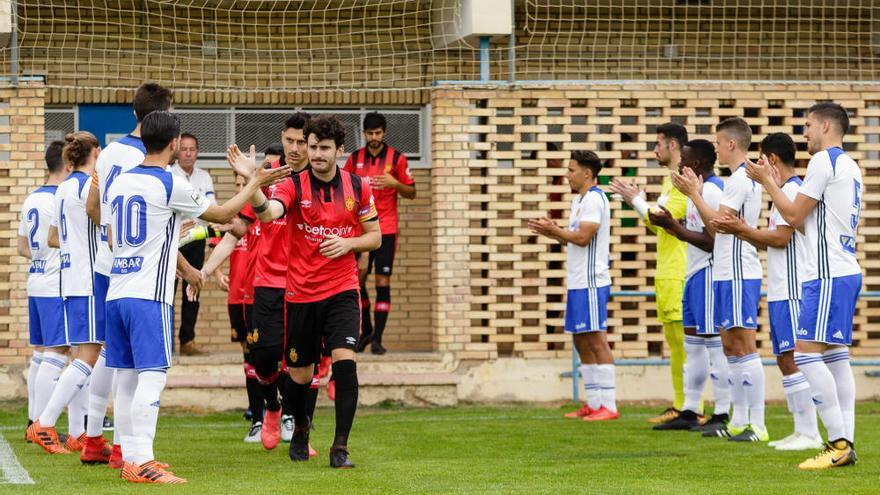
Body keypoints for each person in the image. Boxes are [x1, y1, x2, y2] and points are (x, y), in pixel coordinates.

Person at [105, 111, 289, 483]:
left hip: (116, 291)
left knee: (125, 378)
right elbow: (221, 213)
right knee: (152, 377)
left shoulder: (122, 182)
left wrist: (189, 270)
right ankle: (142, 462)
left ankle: (128, 455)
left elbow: (114, 238)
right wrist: (255, 180)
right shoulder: (169, 183)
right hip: (147, 297)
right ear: (174, 144)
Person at [228, 114, 381, 468]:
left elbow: (375, 237)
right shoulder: (294, 185)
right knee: (298, 376)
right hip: (301, 294)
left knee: (345, 366)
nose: (316, 154)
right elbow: (268, 215)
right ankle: (300, 428)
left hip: (342, 289)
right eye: (312, 147)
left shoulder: (358, 187)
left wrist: (348, 244)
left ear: (340, 150)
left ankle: (340, 447)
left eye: (324, 148)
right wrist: (253, 182)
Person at [746, 102, 861, 469]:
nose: (805, 133)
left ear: (826, 125)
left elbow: (794, 216)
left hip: (827, 273)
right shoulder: (850, 164)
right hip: (841, 269)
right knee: (835, 357)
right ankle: (846, 443)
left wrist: (766, 182)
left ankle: (838, 443)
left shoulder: (823, 162)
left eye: (808, 125)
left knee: (806, 354)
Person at [85, 82, 193, 467]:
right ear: (163, 117)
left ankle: (96, 438)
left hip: (111, 266)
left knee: (111, 356)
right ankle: (129, 452)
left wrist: (113, 240)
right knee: (137, 366)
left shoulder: (110, 152)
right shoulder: (158, 164)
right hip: (144, 276)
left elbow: (93, 205)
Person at [713, 133, 821, 451]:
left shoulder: (792, 191)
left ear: (771, 160)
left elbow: (781, 239)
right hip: (778, 289)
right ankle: (802, 429)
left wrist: (741, 229)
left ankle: (810, 432)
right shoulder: (780, 194)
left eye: (761, 160)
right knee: (785, 359)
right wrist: (745, 232)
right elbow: (769, 238)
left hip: (791, 289)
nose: (757, 167)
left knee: (793, 358)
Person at [672, 117, 767, 442]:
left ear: (731, 144)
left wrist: (694, 194)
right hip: (725, 272)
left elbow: (716, 226)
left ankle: (758, 423)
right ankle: (738, 420)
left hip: (740, 271)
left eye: (718, 143)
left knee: (744, 346)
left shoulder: (741, 179)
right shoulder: (736, 179)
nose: (716, 149)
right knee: (730, 347)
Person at [28, 132, 106, 455]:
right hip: (88, 280)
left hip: (70, 278)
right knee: (88, 357)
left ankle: (78, 433)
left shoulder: (61, 189)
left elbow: (54, 237)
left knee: (82, 356)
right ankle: (45, 423)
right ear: (96, 152)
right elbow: (102, 224)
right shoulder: (88, 187)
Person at [647, 139, 731, 431]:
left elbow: (713, 241)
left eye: (684, 159)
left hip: (709, 274)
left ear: (695, 164)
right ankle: (690, 410)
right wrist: (675, 224)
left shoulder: (711, 190)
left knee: (714, 346)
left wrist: (676, 229)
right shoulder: (699, 191)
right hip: (693, 274)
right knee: (694, 347)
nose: (679, 164)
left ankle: (722, 414)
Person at [609, 123, 689, 424]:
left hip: (680, 272)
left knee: (686, 345)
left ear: (673, 146)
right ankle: (681, 404)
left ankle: (692, 407)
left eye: (658, 144)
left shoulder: (683, 180)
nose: (654, 150)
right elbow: (657, 221)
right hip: (668, 272)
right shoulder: (670, 181)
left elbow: (667, 220)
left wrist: (635, 201)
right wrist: (640, 202)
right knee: (675, 344)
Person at [530, 150, 617, 422]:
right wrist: (553, 231)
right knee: (580, 340)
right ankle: (592, 403)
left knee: (596, 339)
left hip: (592, 282)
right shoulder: (578, 201)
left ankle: (609, 405)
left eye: (571, 170)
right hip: (578, 281)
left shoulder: (594, 199)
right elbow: (572, 239)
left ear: (587, 174)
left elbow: (582, 238)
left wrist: (555, 231)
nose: (566, 175)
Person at [344, 112, 416, 355]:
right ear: (364, 133)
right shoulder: (355, 159)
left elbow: (412, 192)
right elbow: (343, 186)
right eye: (369, 133)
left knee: (383, 282)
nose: (373, 138)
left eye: (377, 133)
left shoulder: (397, 159)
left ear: (384, 133)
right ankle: (366, 332)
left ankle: (378, 340)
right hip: (361, 231)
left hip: (386, 230)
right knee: (357, 280)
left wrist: (395, 184)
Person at [20, 141, 68, 439]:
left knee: (40, 353)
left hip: (35, 280)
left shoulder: (30, 199)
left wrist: (42, 258)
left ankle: (32, 421)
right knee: (58, 351)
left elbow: (22, 247)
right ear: (67, 164)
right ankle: (42, 426)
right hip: (54, 283)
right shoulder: (59, 198)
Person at [171, 133, 217, 355]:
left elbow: (213, 206)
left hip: (197, 239)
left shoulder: (204, 177)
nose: (188, 153)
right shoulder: (170, 174)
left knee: (193, 290)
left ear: (197, 152)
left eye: (192, 149)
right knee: (167, 292)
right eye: (184, 148)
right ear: (177, 151)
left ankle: (187, 341)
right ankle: (166, 343)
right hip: (175, 240)